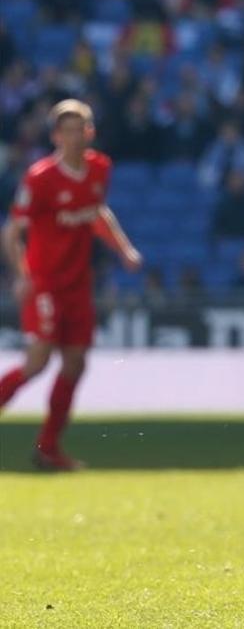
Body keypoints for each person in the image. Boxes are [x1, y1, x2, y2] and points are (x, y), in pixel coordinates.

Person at [0, 99, 142, 470]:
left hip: (78, 283)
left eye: (79, 127)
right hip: (45, 282)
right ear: (55, 136)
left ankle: (48, 448)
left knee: (76, 363)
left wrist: (123, 249)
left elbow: (96, 212)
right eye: (66, 129)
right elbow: (12, 232)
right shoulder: (40, 177)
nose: (73, 135)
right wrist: (22, 276)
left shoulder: (99, 169)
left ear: (90, 132)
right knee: (38, 361)